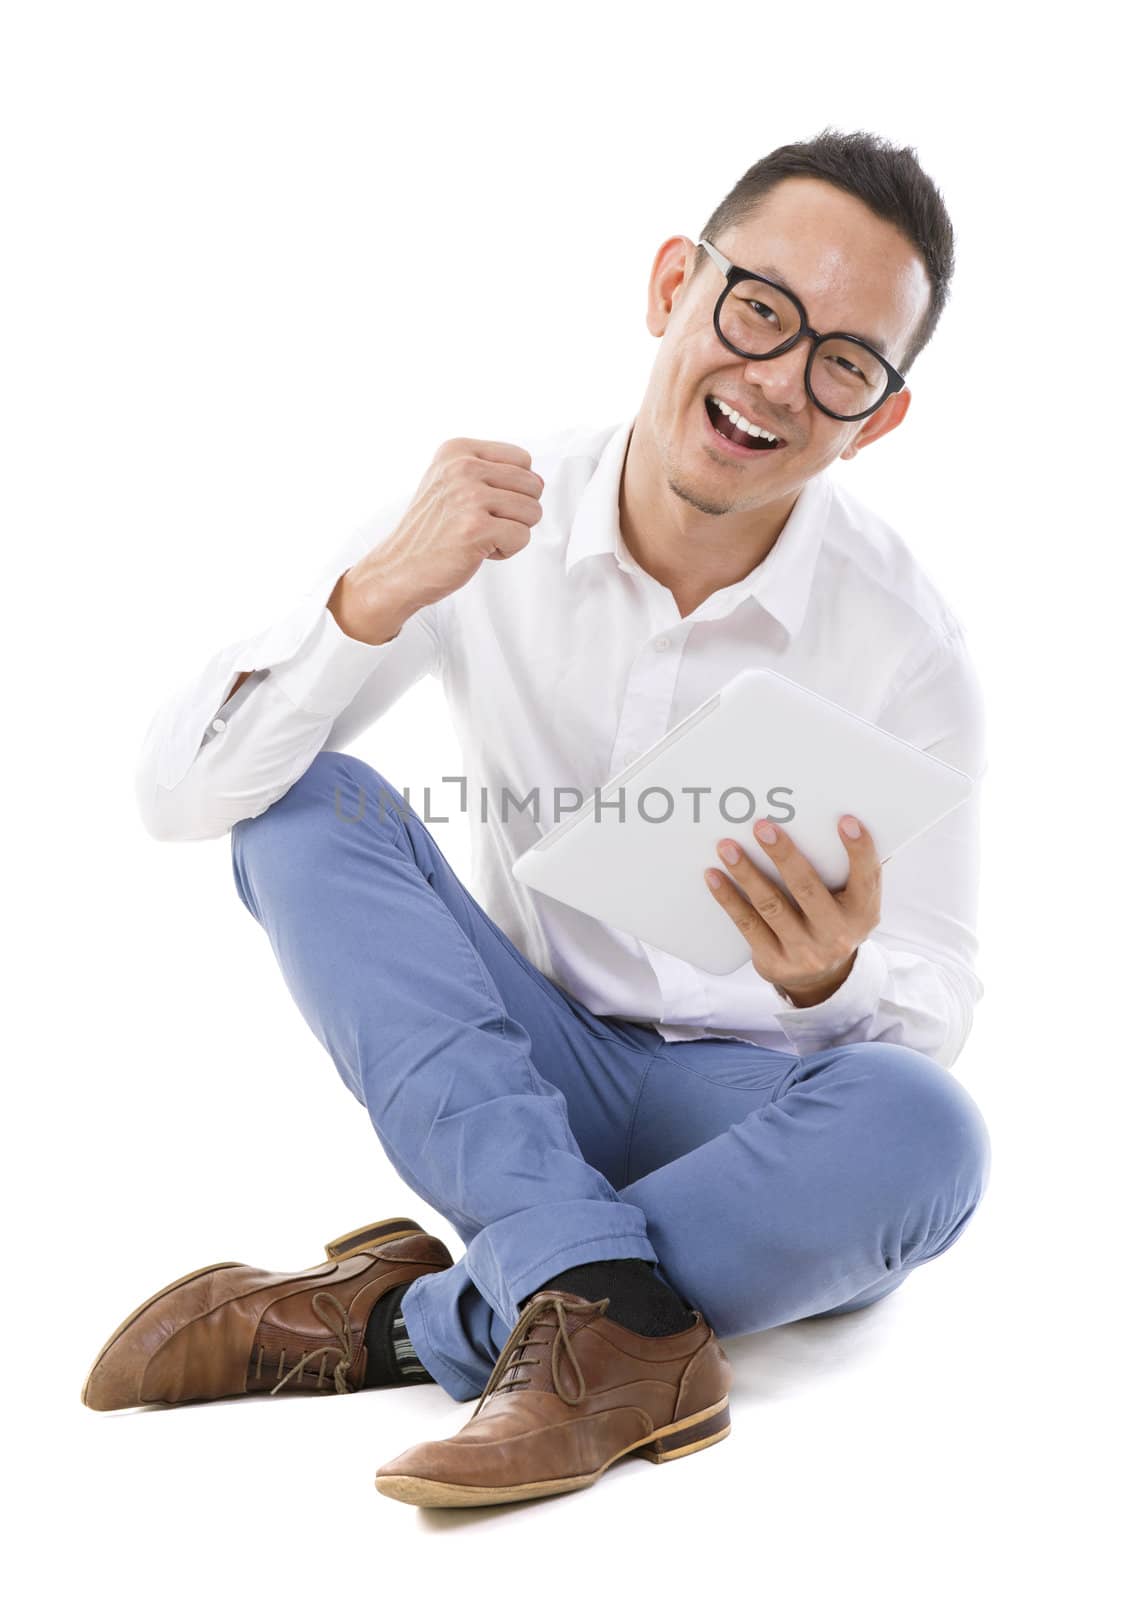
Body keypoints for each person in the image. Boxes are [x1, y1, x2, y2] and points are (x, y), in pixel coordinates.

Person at [83, 126, 992, 1510]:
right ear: (673, 285)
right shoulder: (492, 514)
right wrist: (367, 599)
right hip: (516, 1067)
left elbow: (935, 1001)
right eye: (756, 311)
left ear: (879, 416)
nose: (775, 382)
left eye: (842, 364)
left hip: (740, 1111)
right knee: (298, 807)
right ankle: (587, 1299)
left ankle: (421, 1315)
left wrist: (832, 978)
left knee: (925, 1132)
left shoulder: (905, 645)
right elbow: (178, 794)